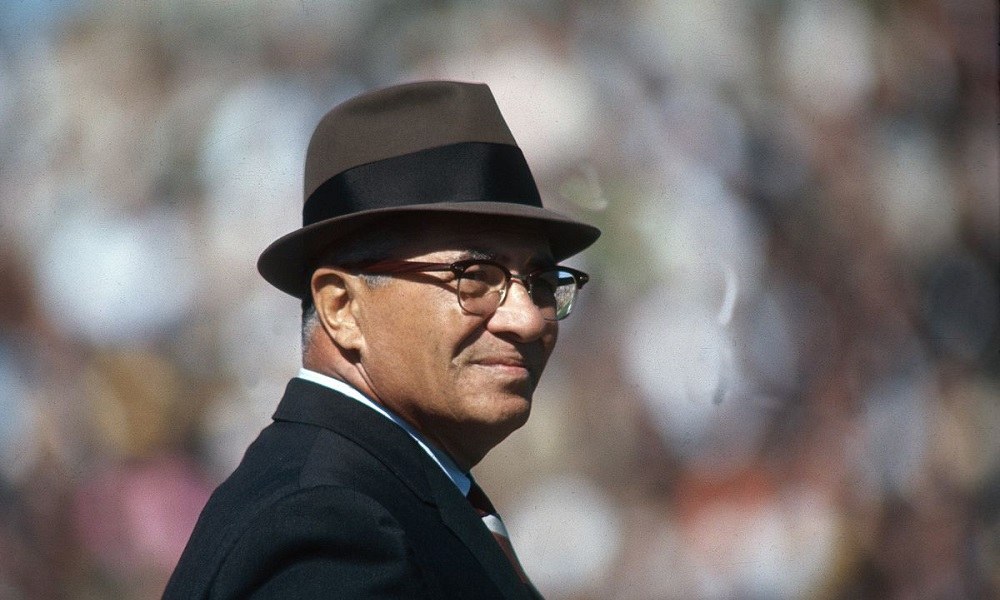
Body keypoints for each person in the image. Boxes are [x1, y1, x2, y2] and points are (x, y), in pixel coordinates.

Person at [163, 80, 600, 599]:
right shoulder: (331, 524)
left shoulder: (373, 491)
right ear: (341, 308)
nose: (527, 319)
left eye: (542, 283)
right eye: (476, 278)